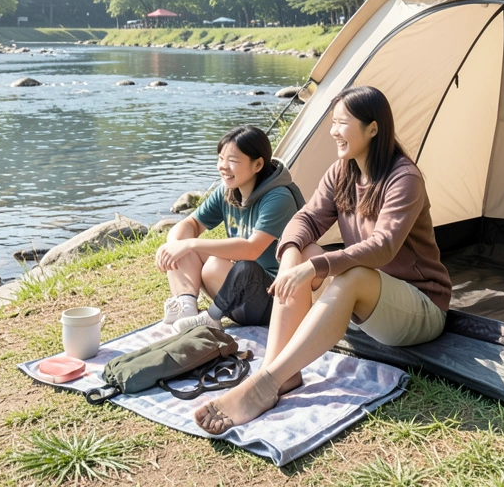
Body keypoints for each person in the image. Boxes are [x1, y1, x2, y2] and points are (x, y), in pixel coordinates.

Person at [193, 86, 452, 434]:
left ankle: (265, 383)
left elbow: (384, 246)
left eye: (342, 122)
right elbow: (306, 219)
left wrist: (314, 267)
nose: (333, 130)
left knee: (348, 274)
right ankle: (280, 374)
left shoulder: (403, 178)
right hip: (373, 306)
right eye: (332, 122)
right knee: (306, 251)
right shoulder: (342, 171)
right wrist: (290, 255)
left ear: (372, 128)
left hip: (420, 306)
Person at [155, 125, 303, 333]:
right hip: (237, 293)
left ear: (258, 164)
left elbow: (252, 250)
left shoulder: (278, 197)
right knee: (182, 243)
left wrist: (189, 244)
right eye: (220, 158)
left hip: (272, 299)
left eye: (232, 161)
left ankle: (211, 317)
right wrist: (174, 245)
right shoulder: (227, 191)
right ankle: (187, 308)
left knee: (234, 265)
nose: (223, 166)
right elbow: (192, 224)